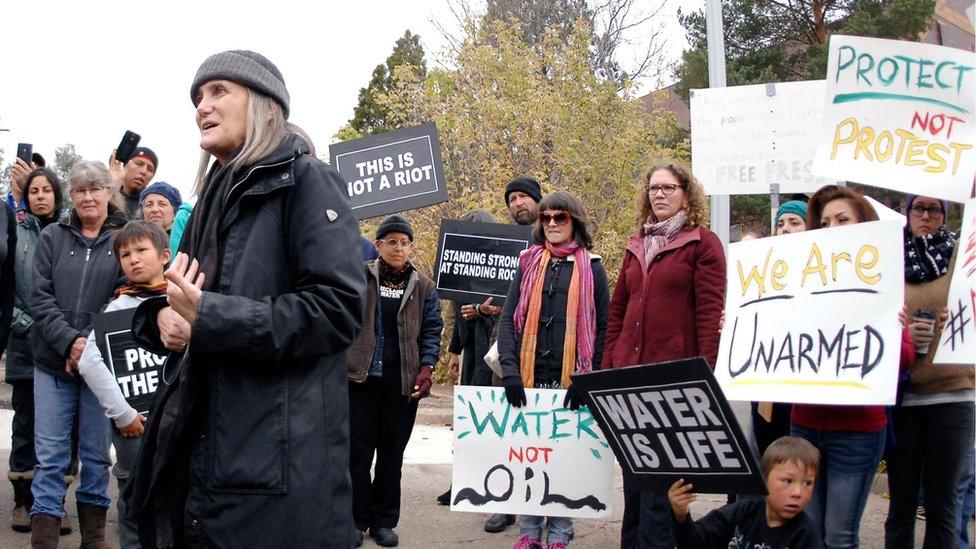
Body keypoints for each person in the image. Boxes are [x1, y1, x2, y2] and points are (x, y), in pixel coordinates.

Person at [126, 50, 366, 548]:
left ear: (262, 103)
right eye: (197, 97)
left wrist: (208, 316)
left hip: (274, 460)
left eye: (218, 92)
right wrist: (163, 321)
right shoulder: (211, 197)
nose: (201, 107)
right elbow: (182, 298)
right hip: (209, 443)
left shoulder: (309, 182)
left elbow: (338, 311)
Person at [601, 162, 726, 549]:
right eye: (654, 188)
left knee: (662, 489)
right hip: (629, 381)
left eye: (669, 187)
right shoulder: (636, 243)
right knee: (635, 484)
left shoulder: (703, 243)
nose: (659, 194)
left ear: (686, 194)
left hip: (673, 383)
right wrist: (607, 369)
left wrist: (704, 376)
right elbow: (617, 311)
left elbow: (709, 311)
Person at [790, 185, 915, 549]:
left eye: (842, 219)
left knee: (839, 536)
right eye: (825, 221)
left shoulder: (884, 282)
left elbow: (904, 362)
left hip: (857, 430)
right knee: (808, 532)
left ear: (865, 224)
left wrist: (897, 330)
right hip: (806, 425)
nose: (832, 227)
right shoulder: (798, 283)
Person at [498, 191, 610, 549]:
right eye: (545, 218)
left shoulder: (592, 267)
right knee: (529, 455)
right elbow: (507, 322)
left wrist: (586, 378)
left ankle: (560, 533)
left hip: (569, 382)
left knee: (563, 460)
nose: (550, 224)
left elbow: (605, 327)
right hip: (529, 379)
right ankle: (530, 532)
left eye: (559, 217)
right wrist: (511, 372)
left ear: (574, 220)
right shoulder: (527, 263)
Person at [28, 160, 127, 547]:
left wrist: (86, 346)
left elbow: (123, 299)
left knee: (96, 455)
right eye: (80, 190)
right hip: (52, 364)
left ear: (108, 192)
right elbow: (39, 297)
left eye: (95, 188)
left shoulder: (122, 240)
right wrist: (70, 343)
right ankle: (44, 539)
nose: (88, 196)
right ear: (71, 195)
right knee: (50, 457)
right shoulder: (53, 236)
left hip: (99, 370)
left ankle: (94, 539)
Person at [346, 215, 442, 547]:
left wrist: (427, 369)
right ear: (378, 245)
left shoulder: (425, 286)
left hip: (402, 384)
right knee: (357, 454)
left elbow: (432, 331)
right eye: (391, 242)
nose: (398, 248)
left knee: (391, 455)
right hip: (361, 379)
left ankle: (384, 520)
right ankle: (356, 519)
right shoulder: (360, 276)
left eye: (404, 242)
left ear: (411, 246)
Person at [885, 194, 974, 548]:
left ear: (944, 215)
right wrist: (902, 334)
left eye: (933, 209)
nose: (925, 215)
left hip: (953, 392)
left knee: (943, 505)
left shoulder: (963, 261)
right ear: (907, 214)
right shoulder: (889, 261)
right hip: (905, 396)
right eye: (917, 208)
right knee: (901, 504)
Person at [75, 221, 170, 549]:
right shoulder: (117, 308)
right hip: (136, 427)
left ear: (164, 256)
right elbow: (88, 361)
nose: (134, 259)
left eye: (142, 250)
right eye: (125, 255)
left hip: (176, 421)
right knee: (132, 503)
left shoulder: (181, 300)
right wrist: (122, 413)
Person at [481, 176, 543, 533]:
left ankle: (545, 502)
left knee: (539, 433)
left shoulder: (553, 235)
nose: (518, 203)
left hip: (545, 347)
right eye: (512, 198)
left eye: (523, 197)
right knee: (506, 428)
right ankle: (505, 504)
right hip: (505, 346)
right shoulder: (503, 244)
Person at [6, 168, 62, 533]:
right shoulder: (13, 230)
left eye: (47, 190)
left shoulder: (68, 233)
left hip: (61, 346)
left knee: (60, 430)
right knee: (26, 423)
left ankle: (52, 503)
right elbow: (4, 286)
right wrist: (27, 323)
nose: (40, 196)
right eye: (33, 190)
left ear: (58, 196)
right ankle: (22, 501)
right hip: (24, 343)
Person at [668, 436, 824, 548]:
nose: (797, 492)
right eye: (788, 481)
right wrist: (681, 514)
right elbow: (695, 541)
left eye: (807, 483)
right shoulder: (742, 513)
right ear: (763, 480)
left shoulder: (806, 536)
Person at [109, 146, 157, 219]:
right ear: (125, 166)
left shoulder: (152, 206)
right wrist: (112, 186)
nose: (144, 171)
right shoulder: (101, 194)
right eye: (139, 164)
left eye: (150, 169)